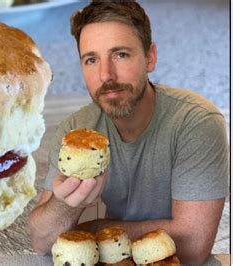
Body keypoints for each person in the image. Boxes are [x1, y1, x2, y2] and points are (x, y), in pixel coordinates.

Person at [28, 1, 229, 265]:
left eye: (120, 54)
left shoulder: (197, 122)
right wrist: (66, 203)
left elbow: (192, 245)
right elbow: (42, 242)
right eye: (91, 59)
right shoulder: (77, 134)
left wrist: (92, 231)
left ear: (150, 57)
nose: (105, 75)